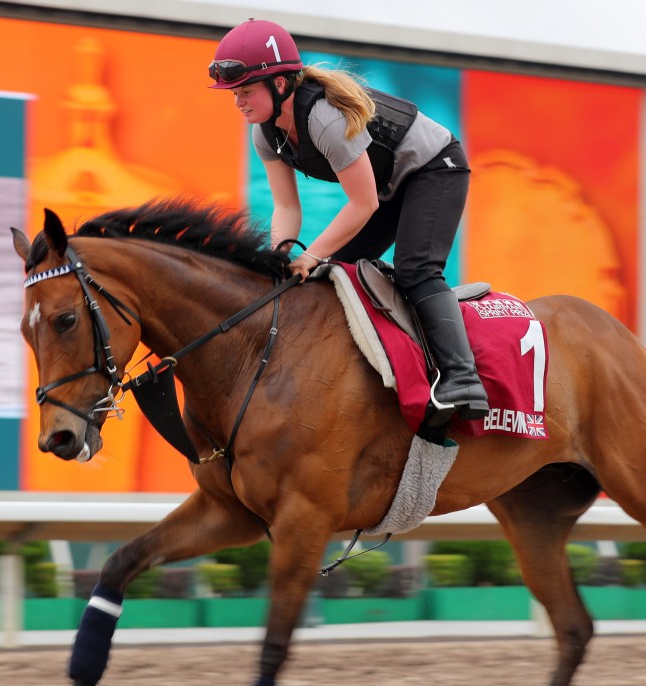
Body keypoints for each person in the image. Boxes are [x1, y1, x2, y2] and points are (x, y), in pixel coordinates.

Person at [208, 18, 489, 423]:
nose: (239, 102)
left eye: (246, 91)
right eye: (235, 94)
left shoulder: (325, 119)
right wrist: (282, 256)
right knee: (331, 274)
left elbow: (363, 203)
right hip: (386, 188)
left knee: (416, 269)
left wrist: (313, 255)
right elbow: (287, 209)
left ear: (281, 85)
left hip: (434, 168)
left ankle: (462, 379)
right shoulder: (264, 134)